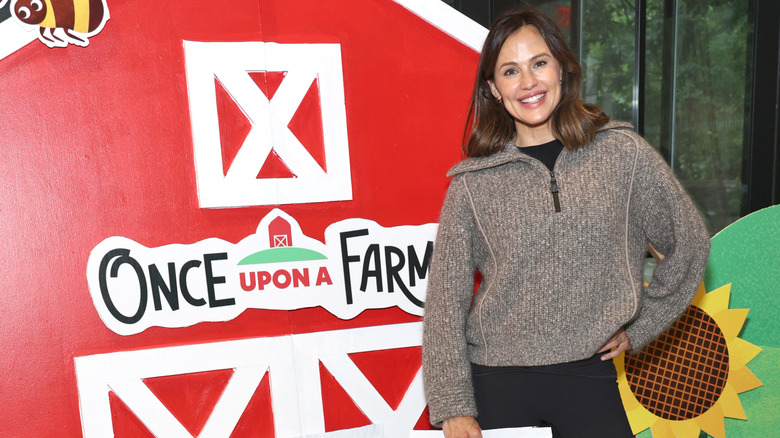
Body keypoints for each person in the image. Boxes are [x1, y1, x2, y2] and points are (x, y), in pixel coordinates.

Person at [421, 5, 710, 438]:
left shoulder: (622, 155)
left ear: (561, 69)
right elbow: (444, 303)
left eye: (539, 63)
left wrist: (644, 323)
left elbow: (690, 244)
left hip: (589, 379)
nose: (529, 82)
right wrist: (452, 406)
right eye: (510, 71)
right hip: (495, 384)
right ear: (494, 89)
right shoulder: (472, 185)